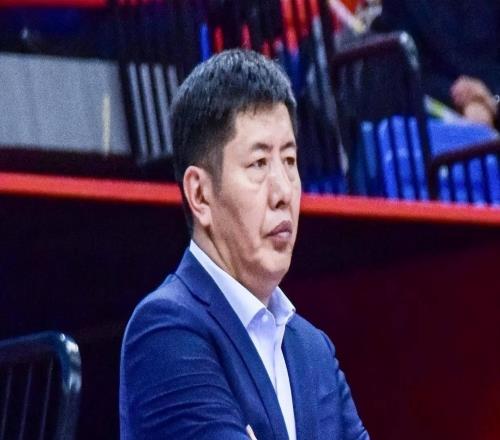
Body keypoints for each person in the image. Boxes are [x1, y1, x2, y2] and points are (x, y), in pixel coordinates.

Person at [119, 49, 370, 440]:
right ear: (200, 194)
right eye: (259, 164)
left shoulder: (314, 350)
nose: (283, 191)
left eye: (290, 161)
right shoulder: (166, 331)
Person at [372, 0, 500, 128]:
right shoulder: (402, 6)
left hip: (490, 99)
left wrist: (491, 99)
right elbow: (404, 68)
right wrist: (464, 101)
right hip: (444, 117)